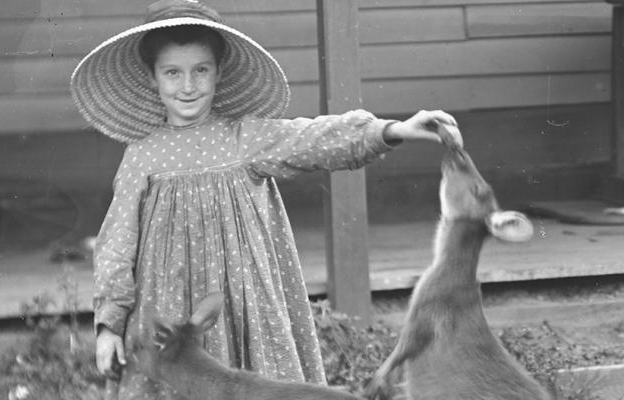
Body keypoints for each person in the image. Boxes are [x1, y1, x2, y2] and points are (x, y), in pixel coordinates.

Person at [70, 1, 451, 397]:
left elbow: (314, 138)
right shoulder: (142, 155)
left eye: (200, 70)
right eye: (172, 73)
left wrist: (391, 130)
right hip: (169, 308)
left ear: (218, 73)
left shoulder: (245, 138)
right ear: (152, 78)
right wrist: (108, 326)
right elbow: (116, 244)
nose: (188, 85)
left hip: (243, 302)